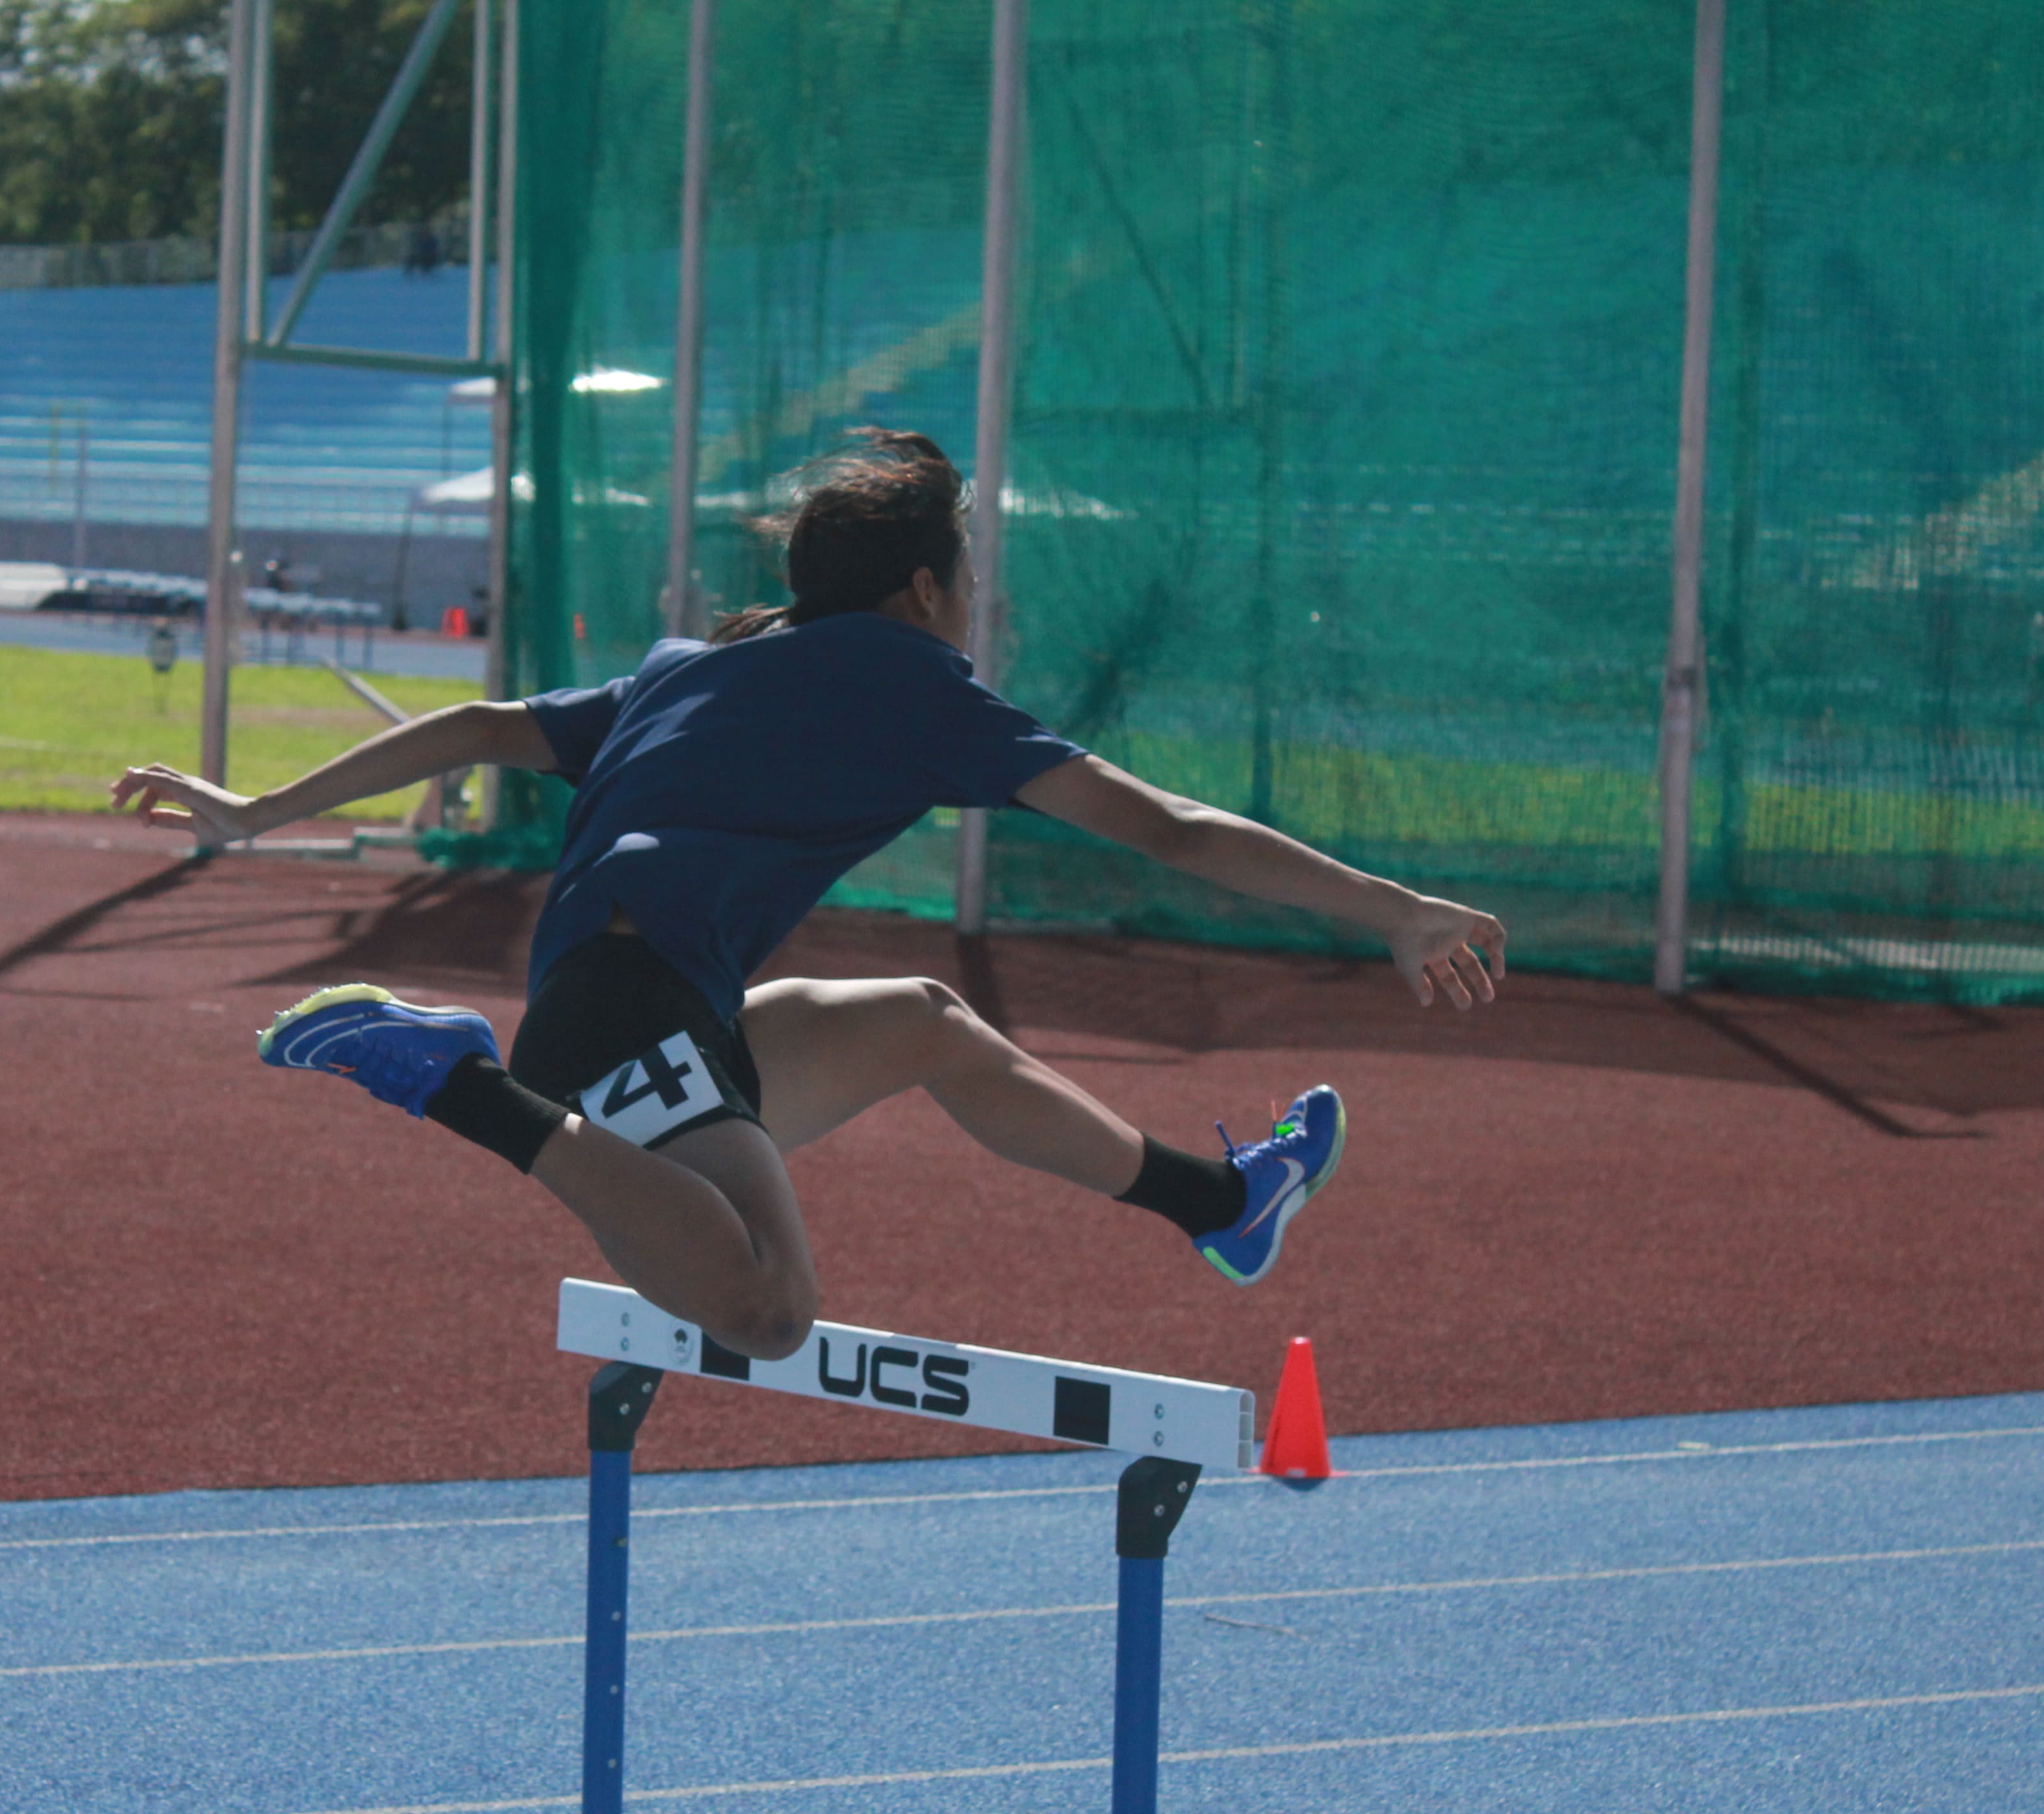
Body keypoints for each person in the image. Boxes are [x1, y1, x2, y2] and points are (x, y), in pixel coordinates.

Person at [110, 429, 1504, 1361]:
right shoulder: (920, 687)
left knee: (925, 1022)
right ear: (921, 587)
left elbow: (477, 726)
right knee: (769, 1310)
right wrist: (1396, 909)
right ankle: (455, 1083)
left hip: (646, 1006)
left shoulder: (684, 665)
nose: (975, 603)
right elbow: (1173, 830)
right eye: (968, 575)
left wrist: (253, 810)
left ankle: (1217, 1205)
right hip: (616, 1014)